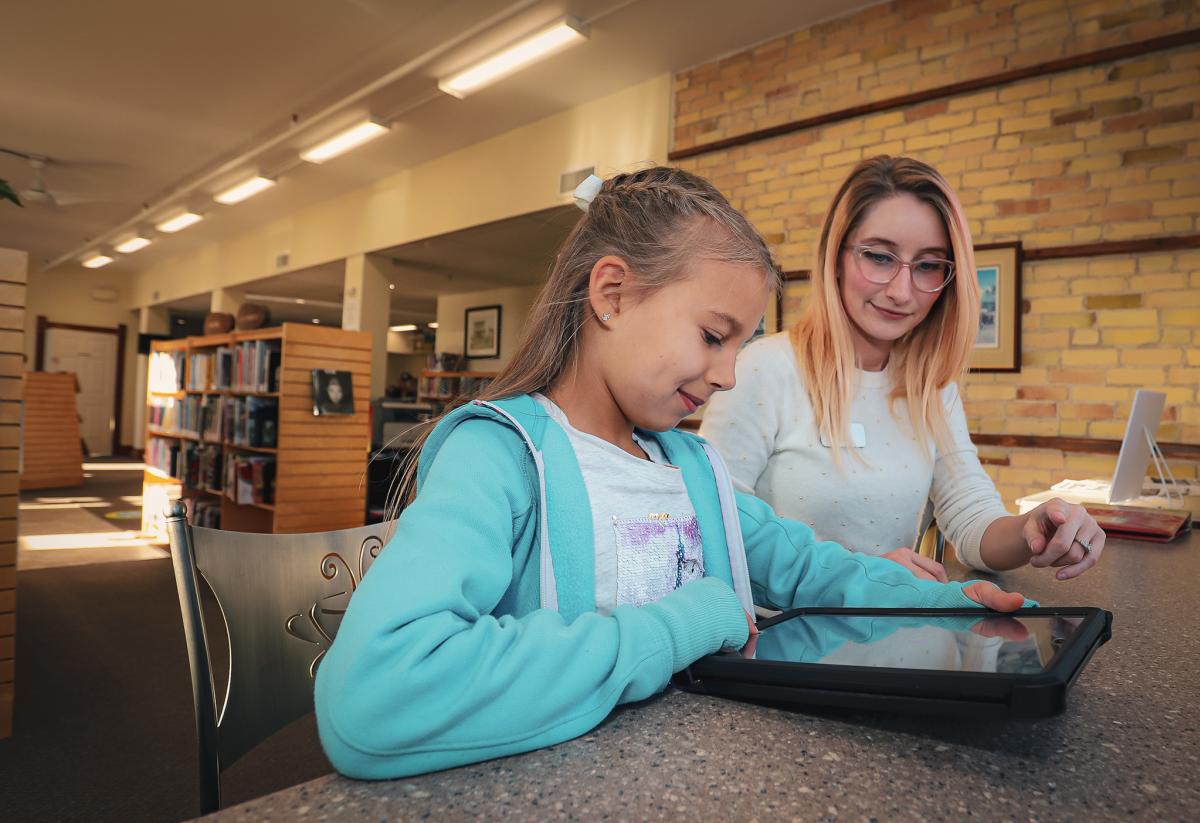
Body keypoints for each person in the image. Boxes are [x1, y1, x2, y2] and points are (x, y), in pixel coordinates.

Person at [314, 167, 1031, 780]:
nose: (727, 374)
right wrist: (681, 623)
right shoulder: (500, 457)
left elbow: (811, 566)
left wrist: (938, 600)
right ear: (613, 294)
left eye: (740, 345)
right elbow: (377, 692)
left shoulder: (690, 467)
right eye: (714, 337)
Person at [700, 156, 1104, 582]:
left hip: (893, 634)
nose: (900, 290)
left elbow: (972, 520)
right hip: (788, 639)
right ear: (835, 257)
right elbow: (710, 528)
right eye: (879, 257)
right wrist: (852, 574)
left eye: (928, 266)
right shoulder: (765, 368)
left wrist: (1032, 530)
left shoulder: (931, 387)